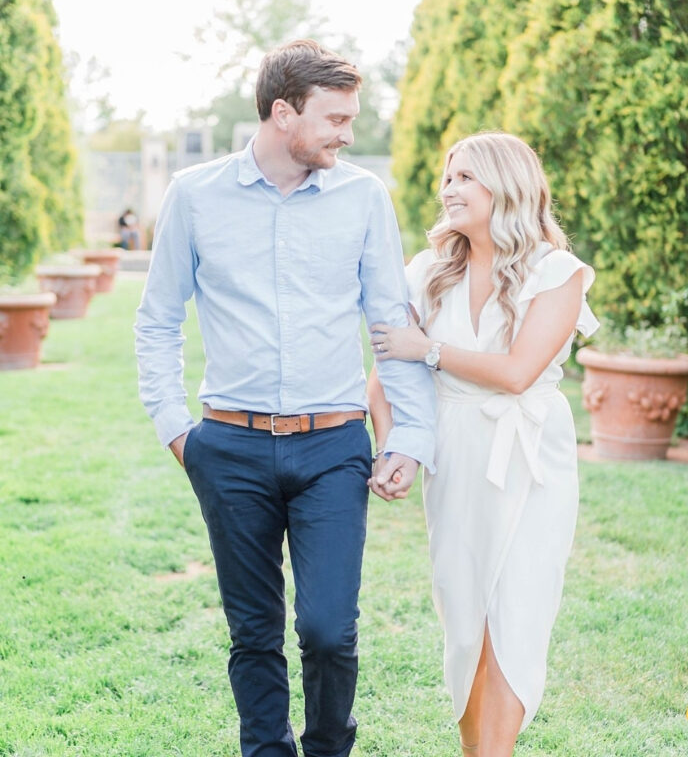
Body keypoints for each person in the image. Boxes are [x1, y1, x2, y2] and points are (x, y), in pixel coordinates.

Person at [134, 39, 435, 757]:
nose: (347, 133)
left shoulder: (364, 197)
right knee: (254, 633)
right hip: (228, 446)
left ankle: (330, 747)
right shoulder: (195, 196)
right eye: (334, 118)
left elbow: (391, 321)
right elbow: (157, 319)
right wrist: (178, 430)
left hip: (333, 445)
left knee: (329, 628)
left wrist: (409, 438)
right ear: (281, 112)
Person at [367, 132, 598, 756]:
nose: (449, 188)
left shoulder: (556, 272)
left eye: (465, 176)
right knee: (466, 622)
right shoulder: (426, 272)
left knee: (514, 616)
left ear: (506, 184)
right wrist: (394, 450)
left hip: (531, 459)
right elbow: (384, 379)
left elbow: (520, 371)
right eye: (447, 176)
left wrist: (431, 350)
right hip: (456, 455)